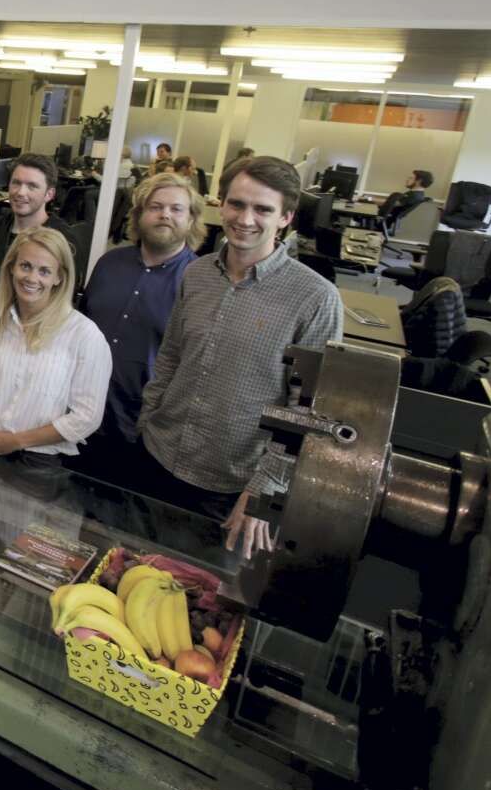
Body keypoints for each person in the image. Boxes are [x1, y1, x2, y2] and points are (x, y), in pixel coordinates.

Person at [137, 156, 343, 560]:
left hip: (233, 487)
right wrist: (148, 418)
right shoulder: (196, 274)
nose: (245, 219)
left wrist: (264, 488)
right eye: (236, 204)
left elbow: (308, 411)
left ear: (286, 217)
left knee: (201, 588)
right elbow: (172, 356)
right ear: (221, 204)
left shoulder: (316, 299)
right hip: (159, 455)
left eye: (263, 209)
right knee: (137, 569)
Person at [0, 227, 110, 542]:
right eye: (25, 266)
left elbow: (87, 417)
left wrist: (17, 440)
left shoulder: (84, 335)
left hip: (37, 467)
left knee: (23, 548)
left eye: (44, 271)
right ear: (11, 267)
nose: (32, 277)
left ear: (59, 278)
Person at [74, 173, 203, 484]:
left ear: (191, 219)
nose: (165, 214)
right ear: (139, 214)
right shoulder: (108, 263)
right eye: (155, 207)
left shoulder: (200, 281)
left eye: (176, 209)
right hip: (79, 414)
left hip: (143, 432)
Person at [0, 153, 77, 317]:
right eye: (16, 183)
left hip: (35, 328)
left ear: (49, 194)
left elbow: (64, 301)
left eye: (32, 186)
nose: (20, 192)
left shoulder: (63, 240)